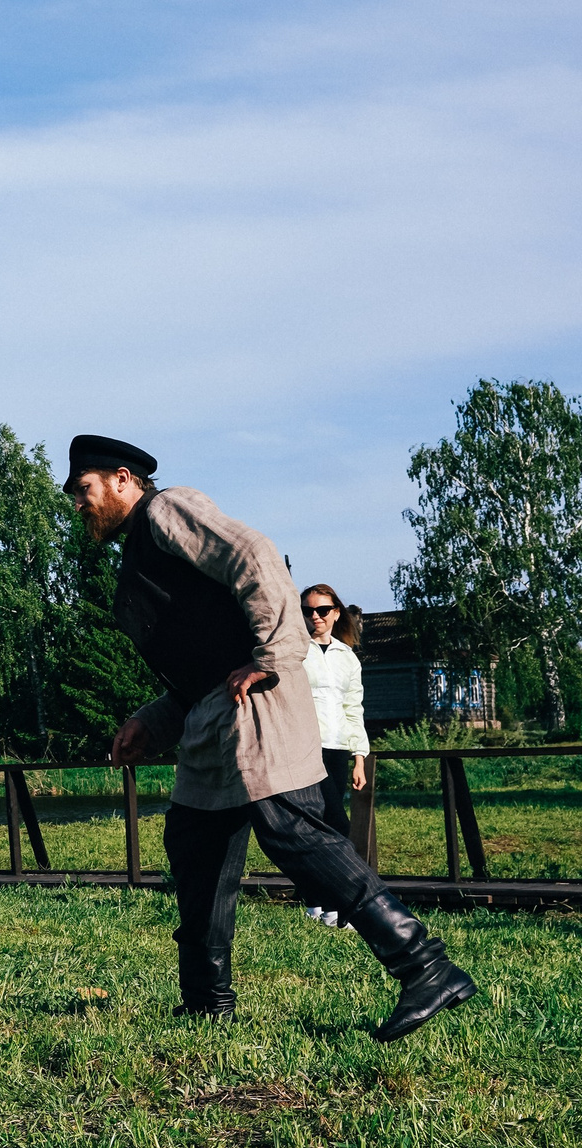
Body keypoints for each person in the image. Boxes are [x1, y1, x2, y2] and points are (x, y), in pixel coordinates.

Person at [63, 436, 475, 1040]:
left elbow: (256, 555)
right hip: (211, 715)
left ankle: (426, 968)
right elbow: (197, 665)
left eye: (85, 490)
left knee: (290, 829)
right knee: (195, 845)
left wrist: (275, 653)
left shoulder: (167, 510)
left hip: (254, 703)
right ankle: (207, 1002)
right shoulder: (140, 551)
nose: (80, 505)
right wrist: (151, 721)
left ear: (123, 479)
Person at [297, 584, 368, 928]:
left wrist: (360, 757)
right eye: (308, 611)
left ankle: (318, 898)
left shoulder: (346, 657)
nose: (315, 617)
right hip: (303, 746)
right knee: (333, 823)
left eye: (322, 610)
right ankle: (338, 905)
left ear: (336, 613)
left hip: (338, 747)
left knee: (325, 823)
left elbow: (353, 707)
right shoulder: (295, 651)